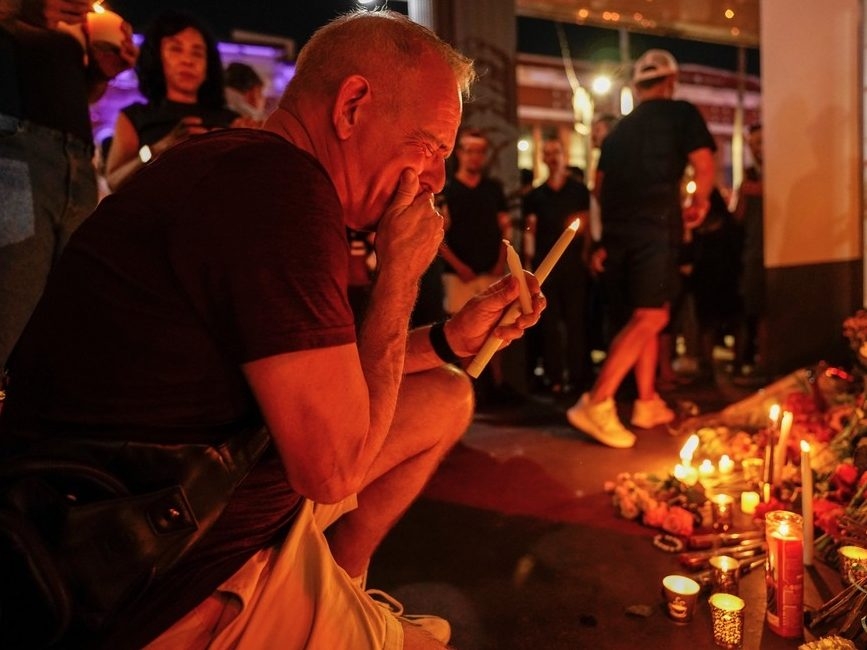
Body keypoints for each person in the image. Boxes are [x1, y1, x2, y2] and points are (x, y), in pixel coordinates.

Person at [0, 10, 543, 649]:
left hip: (187, 503)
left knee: (450, 394)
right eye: (430, 146)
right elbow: (333, 472)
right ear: (352, 106)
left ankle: (343, 585)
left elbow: (324, 374)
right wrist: (400, 274)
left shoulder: (252, 168)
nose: (437, 179)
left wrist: (453, 339)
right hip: (152, 577)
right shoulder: (280, 190)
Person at [566, 49, 716, 448]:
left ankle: (646, 401)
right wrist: (697, 203)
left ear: (637, 87)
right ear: (670, 82)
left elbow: (599, 187)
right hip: (655, 229)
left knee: (641, 314)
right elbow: (704, 164)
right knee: (651, 316)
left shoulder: (618, 131)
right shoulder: (682, 113)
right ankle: (596, 402)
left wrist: (606, 238)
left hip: (619, 235)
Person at [0, 0, 137, 372]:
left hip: (74, 161)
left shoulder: (71, 17)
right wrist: (17, 8)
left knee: (62, 320)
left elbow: (70, 91)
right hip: (13, 152)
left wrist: (101, 74)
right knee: (9, 305)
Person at [105, 9, 245, 190]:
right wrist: (160, 149)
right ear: (157, 57)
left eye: (197, 53)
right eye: (176, 49)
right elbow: (114, 181)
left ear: (208, 66)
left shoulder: (231, 121)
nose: (188, 61)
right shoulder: (136, 117)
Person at [438, 128, 513, 402]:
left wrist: (500, 262)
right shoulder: (448, 190)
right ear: (460, 154)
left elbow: (505, 228)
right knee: (462, 329)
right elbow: (438, 237)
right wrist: (459, 267)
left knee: (497, 327)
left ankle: (496, 383)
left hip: (489, 270)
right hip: (460, 275)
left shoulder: (493, 189)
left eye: (480, 151)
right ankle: (468, 389)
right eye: (470, 150)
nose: (475, 157)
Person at [522, 137, 592, 395]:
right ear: (542, 158)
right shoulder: (536, 196)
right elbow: (531, 230)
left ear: (565, 155)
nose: (552, 157)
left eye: (556, 152)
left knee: (576, 321)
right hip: (545, 266)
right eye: (547, 153)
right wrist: (529, 262)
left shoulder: (578, 191)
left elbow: (586, 228)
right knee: (548, 322)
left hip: (573, 265)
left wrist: (586, 257)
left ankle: (577, 375)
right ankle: (554, 377)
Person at [733, 122, 766, 384]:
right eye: (755, 144)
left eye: (763, 143)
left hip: (774, 251)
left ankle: (764, 363)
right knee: (751, 308)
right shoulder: (748, 177)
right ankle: (747, 362)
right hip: (752, 250)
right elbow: (739, 218)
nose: (760, 149)